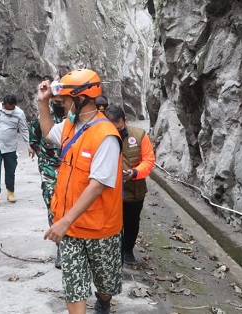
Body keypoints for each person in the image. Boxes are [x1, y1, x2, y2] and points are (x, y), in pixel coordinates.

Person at [38, 69, 123, 314]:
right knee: (74, 285)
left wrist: (65, 221)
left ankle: (104, 301)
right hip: (71, 227)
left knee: (106, 281)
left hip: (100, 227)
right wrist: (43, 103)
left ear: (82, 98)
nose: (62, 105)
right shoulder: (68, 126)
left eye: (65, 101)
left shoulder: (106, 136)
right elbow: (47, 132)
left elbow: (97, 185)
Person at [103, 105, 155, 264]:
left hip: (134, 190)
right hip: (108, 190)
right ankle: (112, 250)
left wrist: (134, 173)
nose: (116, 132)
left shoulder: (139, 136)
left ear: (124, 120)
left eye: (119, 127)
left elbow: (149, 160)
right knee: (111, 222)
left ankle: (127, 250)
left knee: (132, 222)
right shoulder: (101, 135)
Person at [28, 93, 66, 269]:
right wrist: (45, 162)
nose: (60, 105)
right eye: (56, 102)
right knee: (53, 205)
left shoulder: (71, 115)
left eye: (62, 102)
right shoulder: (41, 117)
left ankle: (74, 242)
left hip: (70, 167)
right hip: (50, 167)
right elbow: (34, 140)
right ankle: (60, 247)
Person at [0, 94, 33, 207]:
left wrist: (29, 146)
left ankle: (10, 191)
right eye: (6, 108)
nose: (8, 110)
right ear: (3, 104)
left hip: (10, 147)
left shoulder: (19, 113)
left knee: (10, 170)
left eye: (11, 108)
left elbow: (24, 130)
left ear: (15, 105)